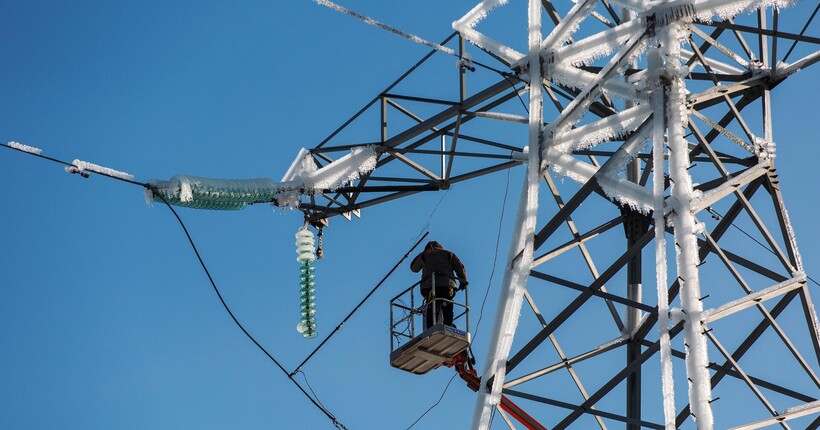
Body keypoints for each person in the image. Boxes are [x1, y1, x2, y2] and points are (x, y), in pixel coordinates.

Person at [410, 241, 468, 328]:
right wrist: (463, 281)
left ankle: (431, 327)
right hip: (447, 286)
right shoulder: (448, 253)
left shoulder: (424, 255)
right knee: (447, 305)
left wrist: (421, 254)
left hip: (429, 287)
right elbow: (460, 268)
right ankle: (448, 325)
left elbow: (414, 268)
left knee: (432, 306)